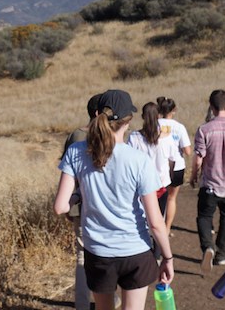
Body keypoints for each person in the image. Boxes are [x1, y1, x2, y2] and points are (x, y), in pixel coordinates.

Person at [55, 89, 174, 310]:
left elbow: (60, 207)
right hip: (135, 251)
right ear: (128, 122)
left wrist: (79, 194)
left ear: (97, 114)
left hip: (98, 252)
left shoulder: (75, 152)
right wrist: (167, 258)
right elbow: (156, 222)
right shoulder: (139, 160)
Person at [189, 89, 225, 275]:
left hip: (210, 184)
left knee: (204, 217)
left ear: (211, 106)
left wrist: (193, 175)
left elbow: (198, 157)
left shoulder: (204, 129)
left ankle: (207, 247)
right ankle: (221, 254)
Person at [60, 93, 102, 310]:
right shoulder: (111, 136)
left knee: (82, 257)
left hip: (79, 203)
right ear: (99, 113)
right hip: (104, 204)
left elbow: (66, 172)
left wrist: (68, 201)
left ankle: (82, 305)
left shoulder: (75, 136)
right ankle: (110, 301)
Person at [127, 102, 174, 215]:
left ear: (143, 116)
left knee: (142, 218)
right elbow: (172, 161)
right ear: (158, 116)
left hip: (141, 185)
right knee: (159, 217)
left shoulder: (134, 137)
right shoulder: (167, 138)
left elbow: (129, 162)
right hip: (162, 184)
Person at [156, 96, 192, 235]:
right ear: (174, 110)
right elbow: (188, 151)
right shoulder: (179, 127)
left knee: (157, 198)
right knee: (171, 198)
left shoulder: (154, 124)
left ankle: (156, 226)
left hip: (158, 166)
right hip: (176, 166)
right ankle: (167, 228)